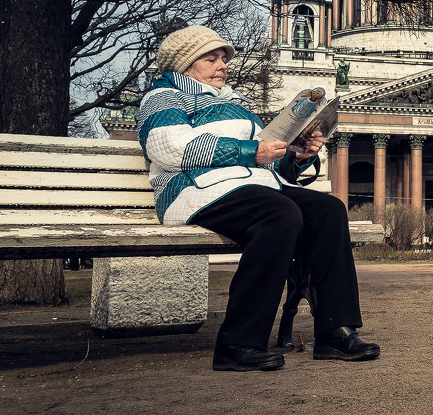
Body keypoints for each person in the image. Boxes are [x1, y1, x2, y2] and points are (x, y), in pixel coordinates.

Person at [137, 25, 379, 372]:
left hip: (250, 188)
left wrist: (297, 156)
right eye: (212, 58)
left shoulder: (236, 103)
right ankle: (238, 342)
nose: (223, 65)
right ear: (184, 64)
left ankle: (334, 332)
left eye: (223, 58)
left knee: (329, 210)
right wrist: (252, 151)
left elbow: (265, 163)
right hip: (195, 191)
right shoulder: (165, 96)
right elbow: (168, 147)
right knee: (278, 215)